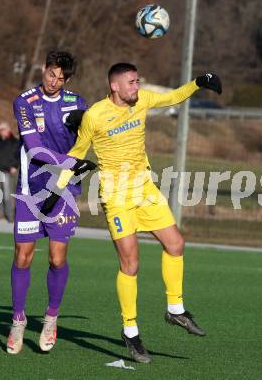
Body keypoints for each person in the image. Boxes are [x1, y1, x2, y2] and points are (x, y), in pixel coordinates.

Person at [50, 64, 222, 363]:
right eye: (131, 82)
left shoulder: (142, 100)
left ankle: (176, 310)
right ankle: (130, 332)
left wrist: (198, 83)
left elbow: (173, 98)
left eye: (137, 81)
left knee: (176, 245)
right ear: (114, 86)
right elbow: (78, 152)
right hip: (116, 197)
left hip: (144, 189)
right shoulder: (95, 115)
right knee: (130, 264)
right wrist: (57, 189)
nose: (136, 86)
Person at [7, 49, 95, 355]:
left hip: (65, 191)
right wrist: (70, 163)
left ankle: (50, 318)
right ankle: (18, 321)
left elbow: (87, 139)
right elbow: (33, 148)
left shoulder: (77, 104)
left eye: (61, 77)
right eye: (50, 74)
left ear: (68, 78)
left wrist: (79, 163)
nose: (54, 81)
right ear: (43, 69)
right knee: (23, 256)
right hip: (31, 189)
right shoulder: (24, 102)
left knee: (57, 258)